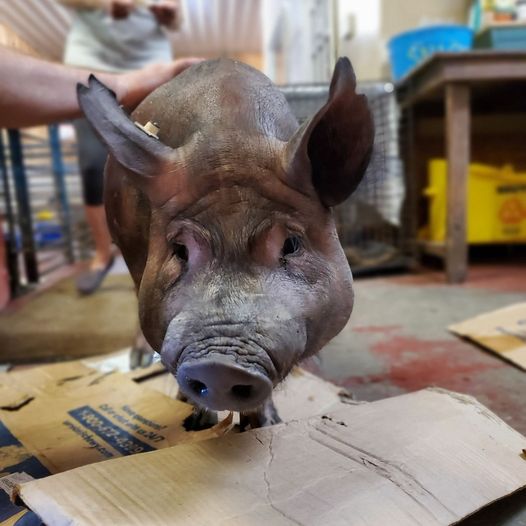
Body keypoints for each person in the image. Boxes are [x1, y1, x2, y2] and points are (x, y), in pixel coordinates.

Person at [59, 0, 182, 294]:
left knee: (159, 168)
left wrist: (170, 13)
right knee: (93, 168)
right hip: (92, 68)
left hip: (151, 70)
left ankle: (158, 256)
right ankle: (103, 255)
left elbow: (177, 19)